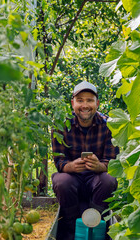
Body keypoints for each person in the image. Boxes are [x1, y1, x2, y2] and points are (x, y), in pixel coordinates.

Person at [51, 81, 119, 240]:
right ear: (73, 103)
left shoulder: (109, 125)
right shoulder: (61, 125)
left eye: (89, 100)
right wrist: (71, 166)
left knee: (109, 180)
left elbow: (112, 163)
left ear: (97, 103)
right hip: (72, 178)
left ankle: (97, 224)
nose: (85, 105)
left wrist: (99, 166)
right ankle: (71, 228)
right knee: (62, 181)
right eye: (80, 100)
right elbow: (59, 162)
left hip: (96, 179)